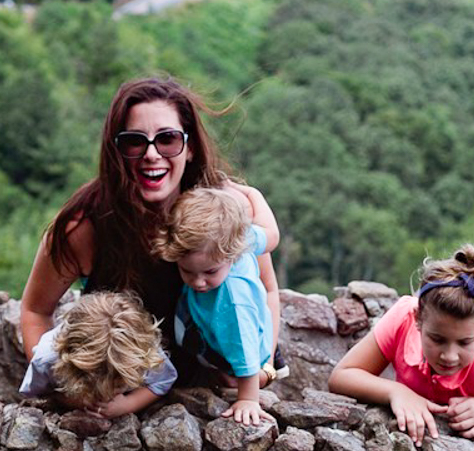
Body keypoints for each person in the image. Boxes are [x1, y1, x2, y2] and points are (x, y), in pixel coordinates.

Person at [20, 75, 281, 381]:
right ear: (115, 150)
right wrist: (63, 384)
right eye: (134, 141)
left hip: (215, 388)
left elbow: (267, 289)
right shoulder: (84, 226)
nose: (152, 154)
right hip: (124, 391)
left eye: (167, 139)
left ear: (190, 147)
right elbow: (35, 311)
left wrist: (262, 370)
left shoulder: (225, 212)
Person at [327, 245, 474, 444]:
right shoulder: (403, 320)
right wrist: (397, 392)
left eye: (465, 342)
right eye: (437, 339)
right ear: (418, 319)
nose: (449, 355)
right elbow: (341, 376)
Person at [153, 187, 282, 426]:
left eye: (210, 271)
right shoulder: (239, 238)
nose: (198, 282)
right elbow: (272, 235)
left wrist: (248, 399)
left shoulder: (234, 300)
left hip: (237, 359)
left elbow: (244, 348)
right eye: (187, 271)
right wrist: (253, 194)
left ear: (233, 254)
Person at [19, 291, 175, 418]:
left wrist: (128, 404)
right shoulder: (46, 360)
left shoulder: (144, 353)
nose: (108, 394)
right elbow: (37, 395)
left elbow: (163, 381)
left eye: (118, 385)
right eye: (97, 385)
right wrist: (71, 400)